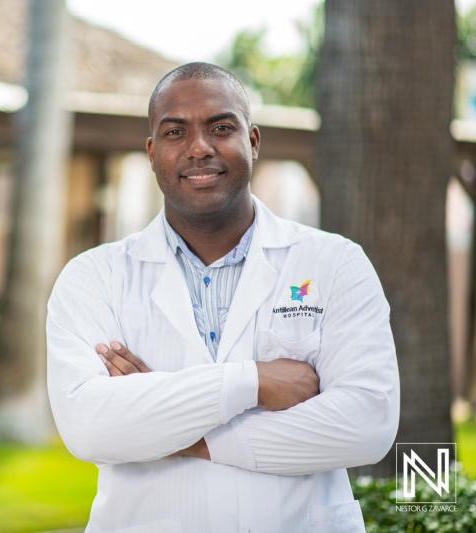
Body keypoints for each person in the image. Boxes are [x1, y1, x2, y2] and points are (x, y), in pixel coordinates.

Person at [46, 62, 399, 533]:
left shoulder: (334, 262)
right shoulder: (93, 277)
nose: (199, 147)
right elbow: (89, 427)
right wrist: (252, 382)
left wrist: (180, 433)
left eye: (221, 127)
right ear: (152, 153)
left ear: (252, 142)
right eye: (175, 132)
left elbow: (365, 424)